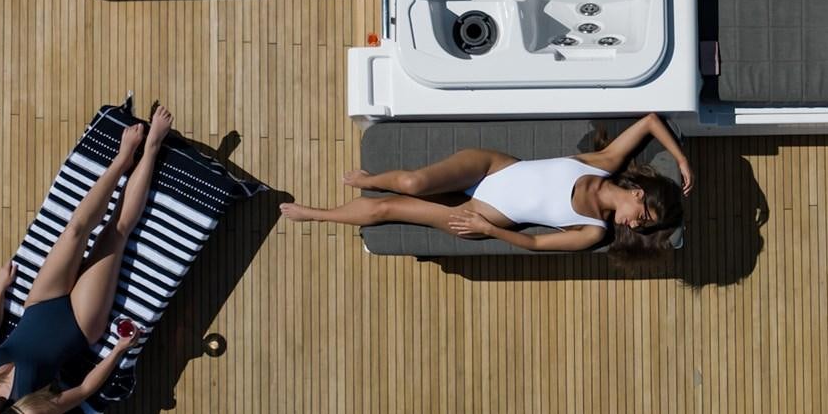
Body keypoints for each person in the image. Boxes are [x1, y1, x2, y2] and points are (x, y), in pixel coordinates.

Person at [0, 106, 175, 414]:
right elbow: (83, 391)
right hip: (80, 324)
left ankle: (123, 159)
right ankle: (152, 146)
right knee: (115, 234)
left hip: (39, 305)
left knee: (75, 231)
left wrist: (1, 291)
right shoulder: (25, 413)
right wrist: (118, 351)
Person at [280, 113, 690, 256]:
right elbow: (651, 120)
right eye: (646, 215)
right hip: (492, 167)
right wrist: (681, 159)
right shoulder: (604, 163)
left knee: (390, 207)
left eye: (645, 227)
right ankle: (372, 179)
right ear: (639, 193)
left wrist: (489, 230)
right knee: (410, 181)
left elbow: (534, 244)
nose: (637, 225)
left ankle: (313, 214)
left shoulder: (592, 231)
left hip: (483, 216)